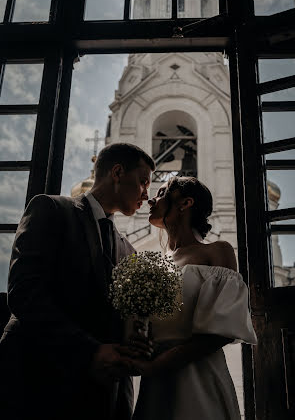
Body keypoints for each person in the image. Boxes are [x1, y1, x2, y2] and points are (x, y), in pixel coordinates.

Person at [0, 143, 155, 420]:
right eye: (143, 182)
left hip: (102, 395)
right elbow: (24, 292)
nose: (147, 193)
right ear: (117, 172)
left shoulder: (130, 252)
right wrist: (90, 351)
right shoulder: (51, 209)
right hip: (38, 378)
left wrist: (136, 343)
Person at [132, 176, 257, 420]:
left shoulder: (217, 251)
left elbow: (223, 329)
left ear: (185, 203)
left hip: (196, 377)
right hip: (155, 381)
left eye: (161, 193)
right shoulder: (153, 263)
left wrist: (159, 364)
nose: (151, 201)